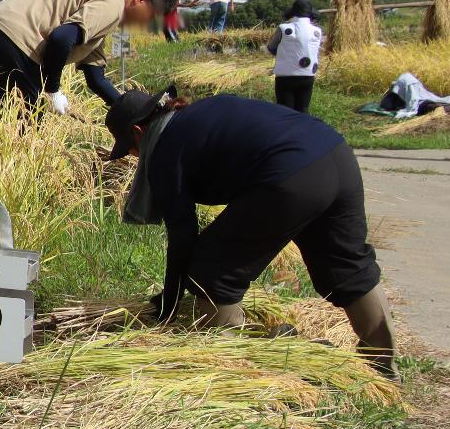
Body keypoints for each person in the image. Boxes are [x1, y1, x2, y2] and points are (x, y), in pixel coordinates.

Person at [105, 86, 394, 375]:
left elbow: (182, 235)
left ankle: (230, 366)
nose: (134, 157)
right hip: (336, 154)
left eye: (130, 150)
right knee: (347, 265)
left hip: (291, 173)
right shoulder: (198, 115)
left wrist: (170, 304)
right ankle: (382, 365)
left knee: (210, 271)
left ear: (139, 132)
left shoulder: (164, 147)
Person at [0, 0, 172, 113]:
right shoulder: (113, 3)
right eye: (151, 17)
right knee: (24, 129)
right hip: (15, 42)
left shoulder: (101, 1)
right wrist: (52, 91)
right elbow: (62, 39)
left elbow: (95, 78)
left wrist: (133, 112)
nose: (145, 24)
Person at [268, 0, 322, 112]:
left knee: (285, 111)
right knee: (303, 109)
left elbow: (271, 47)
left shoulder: (284, 28)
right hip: (308, 75)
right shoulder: (317, 31)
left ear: (293, 12)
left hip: (285, 75)